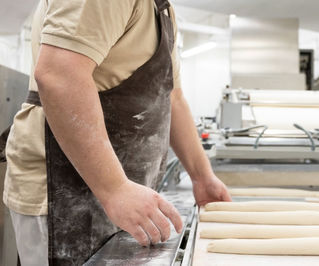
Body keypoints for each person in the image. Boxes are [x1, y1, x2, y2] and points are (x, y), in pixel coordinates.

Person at [1, 0, 231, 265]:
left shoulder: (162, 8)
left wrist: (202, 176)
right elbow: (58, 75)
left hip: (114, 191)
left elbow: (172, 97)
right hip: (66, 192)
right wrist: (114, 188)